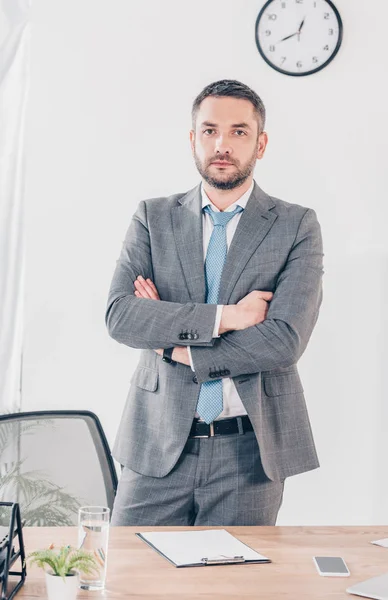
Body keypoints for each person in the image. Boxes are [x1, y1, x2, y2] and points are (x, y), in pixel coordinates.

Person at [106, 79, 324, 526]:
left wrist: (173, 346)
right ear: (193, 140)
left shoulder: (296, 224)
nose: (222, 145)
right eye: (209, 131)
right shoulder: (153, 217)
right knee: (134, 584)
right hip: (155, 443)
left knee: (233, 588)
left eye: (239, 132)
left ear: (260, 144)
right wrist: (231, 317)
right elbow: (122, 316)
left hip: (248, 452)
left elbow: (283, 340)